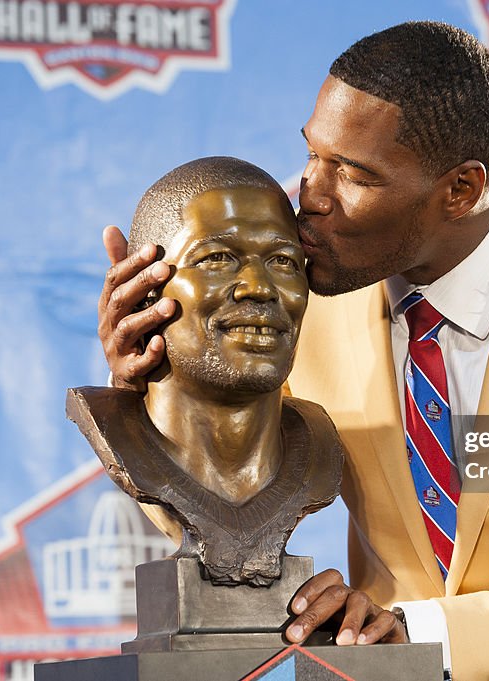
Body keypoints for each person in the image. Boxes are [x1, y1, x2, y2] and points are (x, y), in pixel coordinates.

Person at [97, 22, 489, 681]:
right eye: (313, 156)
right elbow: (217, 503)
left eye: (352, 174)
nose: (309, 199)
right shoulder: (299, 283)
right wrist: (157, 385)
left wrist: (426, 632)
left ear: (460, 190)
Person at [73, 157, 344, 588]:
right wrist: (131, 391)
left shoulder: (318, 431)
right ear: (142, 289)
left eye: (283, 261)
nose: (258, 286)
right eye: (217, 258)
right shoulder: (127, 424)